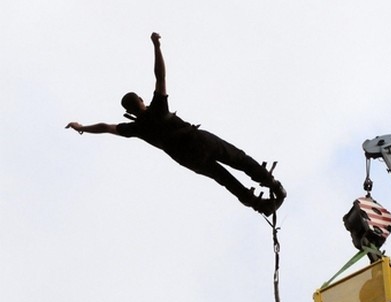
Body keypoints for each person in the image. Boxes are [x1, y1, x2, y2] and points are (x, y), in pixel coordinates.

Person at [66, 32, 285, 216]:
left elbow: (105, 127)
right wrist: (156, 46)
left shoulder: (134, 128)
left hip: (188, 158)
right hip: (198, 141)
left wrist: (81, 127)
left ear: (128, 112)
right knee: (238, 158)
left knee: (224, 179)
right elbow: (160, 76)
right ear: (141, 101)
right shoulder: (158, 108)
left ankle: (260, 205)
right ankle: (272, 184)